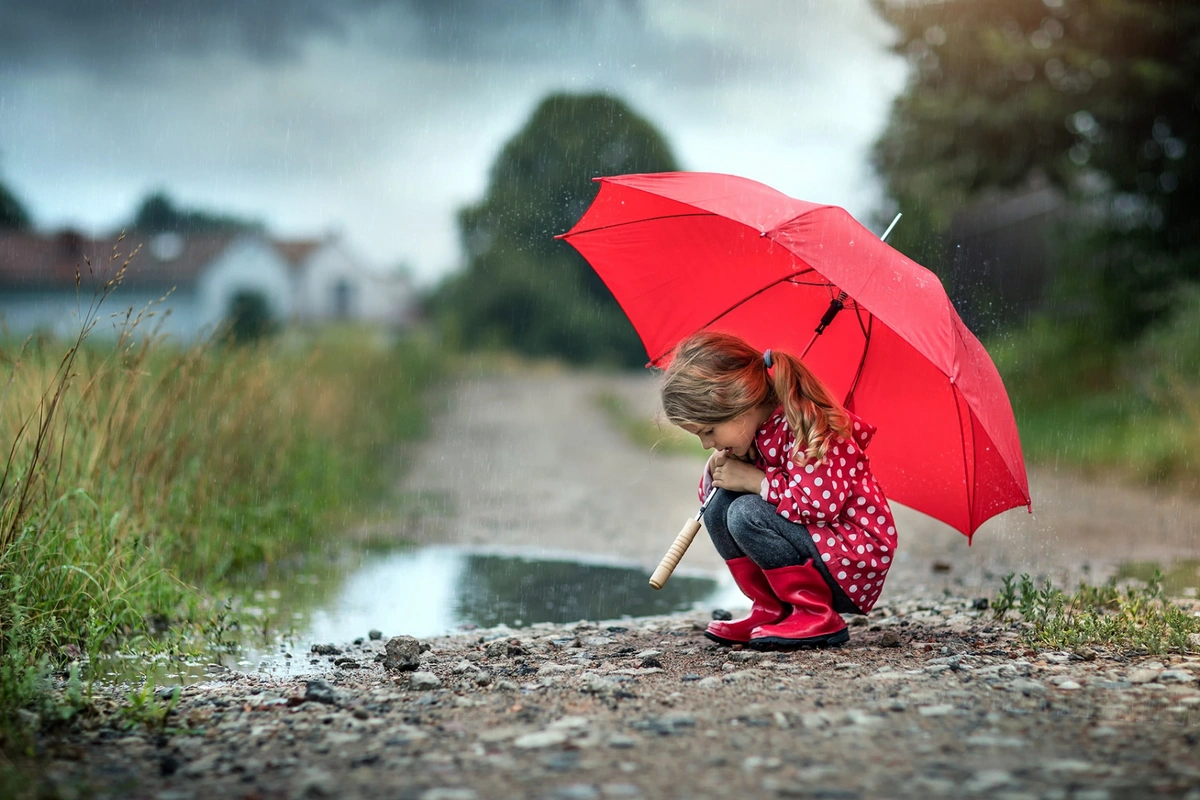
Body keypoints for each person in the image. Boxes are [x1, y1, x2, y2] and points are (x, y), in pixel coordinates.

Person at [660, 330, 896, 650]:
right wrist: (718, 468)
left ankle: (815, 612)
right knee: (721, 505)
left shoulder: (809, 424)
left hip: (850, 559)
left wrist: (755, 481)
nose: (706, 444)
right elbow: (714, 499)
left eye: (709, 432)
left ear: (740, 406)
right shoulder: (754, 432)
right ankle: (770, 609)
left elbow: (817, 506)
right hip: (816, 545)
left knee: (746, 512)